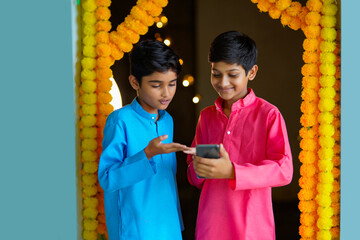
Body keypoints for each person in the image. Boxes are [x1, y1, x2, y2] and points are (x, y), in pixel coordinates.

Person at [186, 31, 293, 240]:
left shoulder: (269, 115)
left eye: (232, 74)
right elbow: (194, 173)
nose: (223, 82)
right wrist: (198, 168)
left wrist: (233, 171)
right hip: (211, 225)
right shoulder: (206, 117)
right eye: (216, 74)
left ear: (251, 72)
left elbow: (284, 170)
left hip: (252, 227)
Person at [98, 40, 188, 240]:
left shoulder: (167, 121)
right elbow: (107, 178)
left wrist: (177, 222)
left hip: (168, 225)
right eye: (156, 85)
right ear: (134, 82)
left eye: (172, 84)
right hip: (135, 229)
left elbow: (168, 179)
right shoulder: (120, 121)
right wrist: (147, 154)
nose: (166, 93)